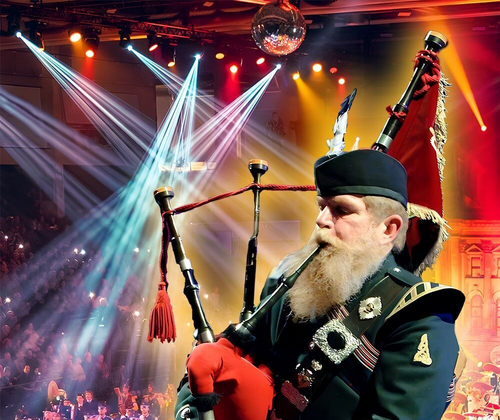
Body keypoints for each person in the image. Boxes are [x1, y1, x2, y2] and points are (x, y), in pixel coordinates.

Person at [175, 149, 465, 419]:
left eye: (342, 210)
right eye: (322, 206)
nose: (322, 220)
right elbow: (237, 358)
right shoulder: (290, 285)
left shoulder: (419, 314)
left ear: (388, 229)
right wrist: (195, 401)